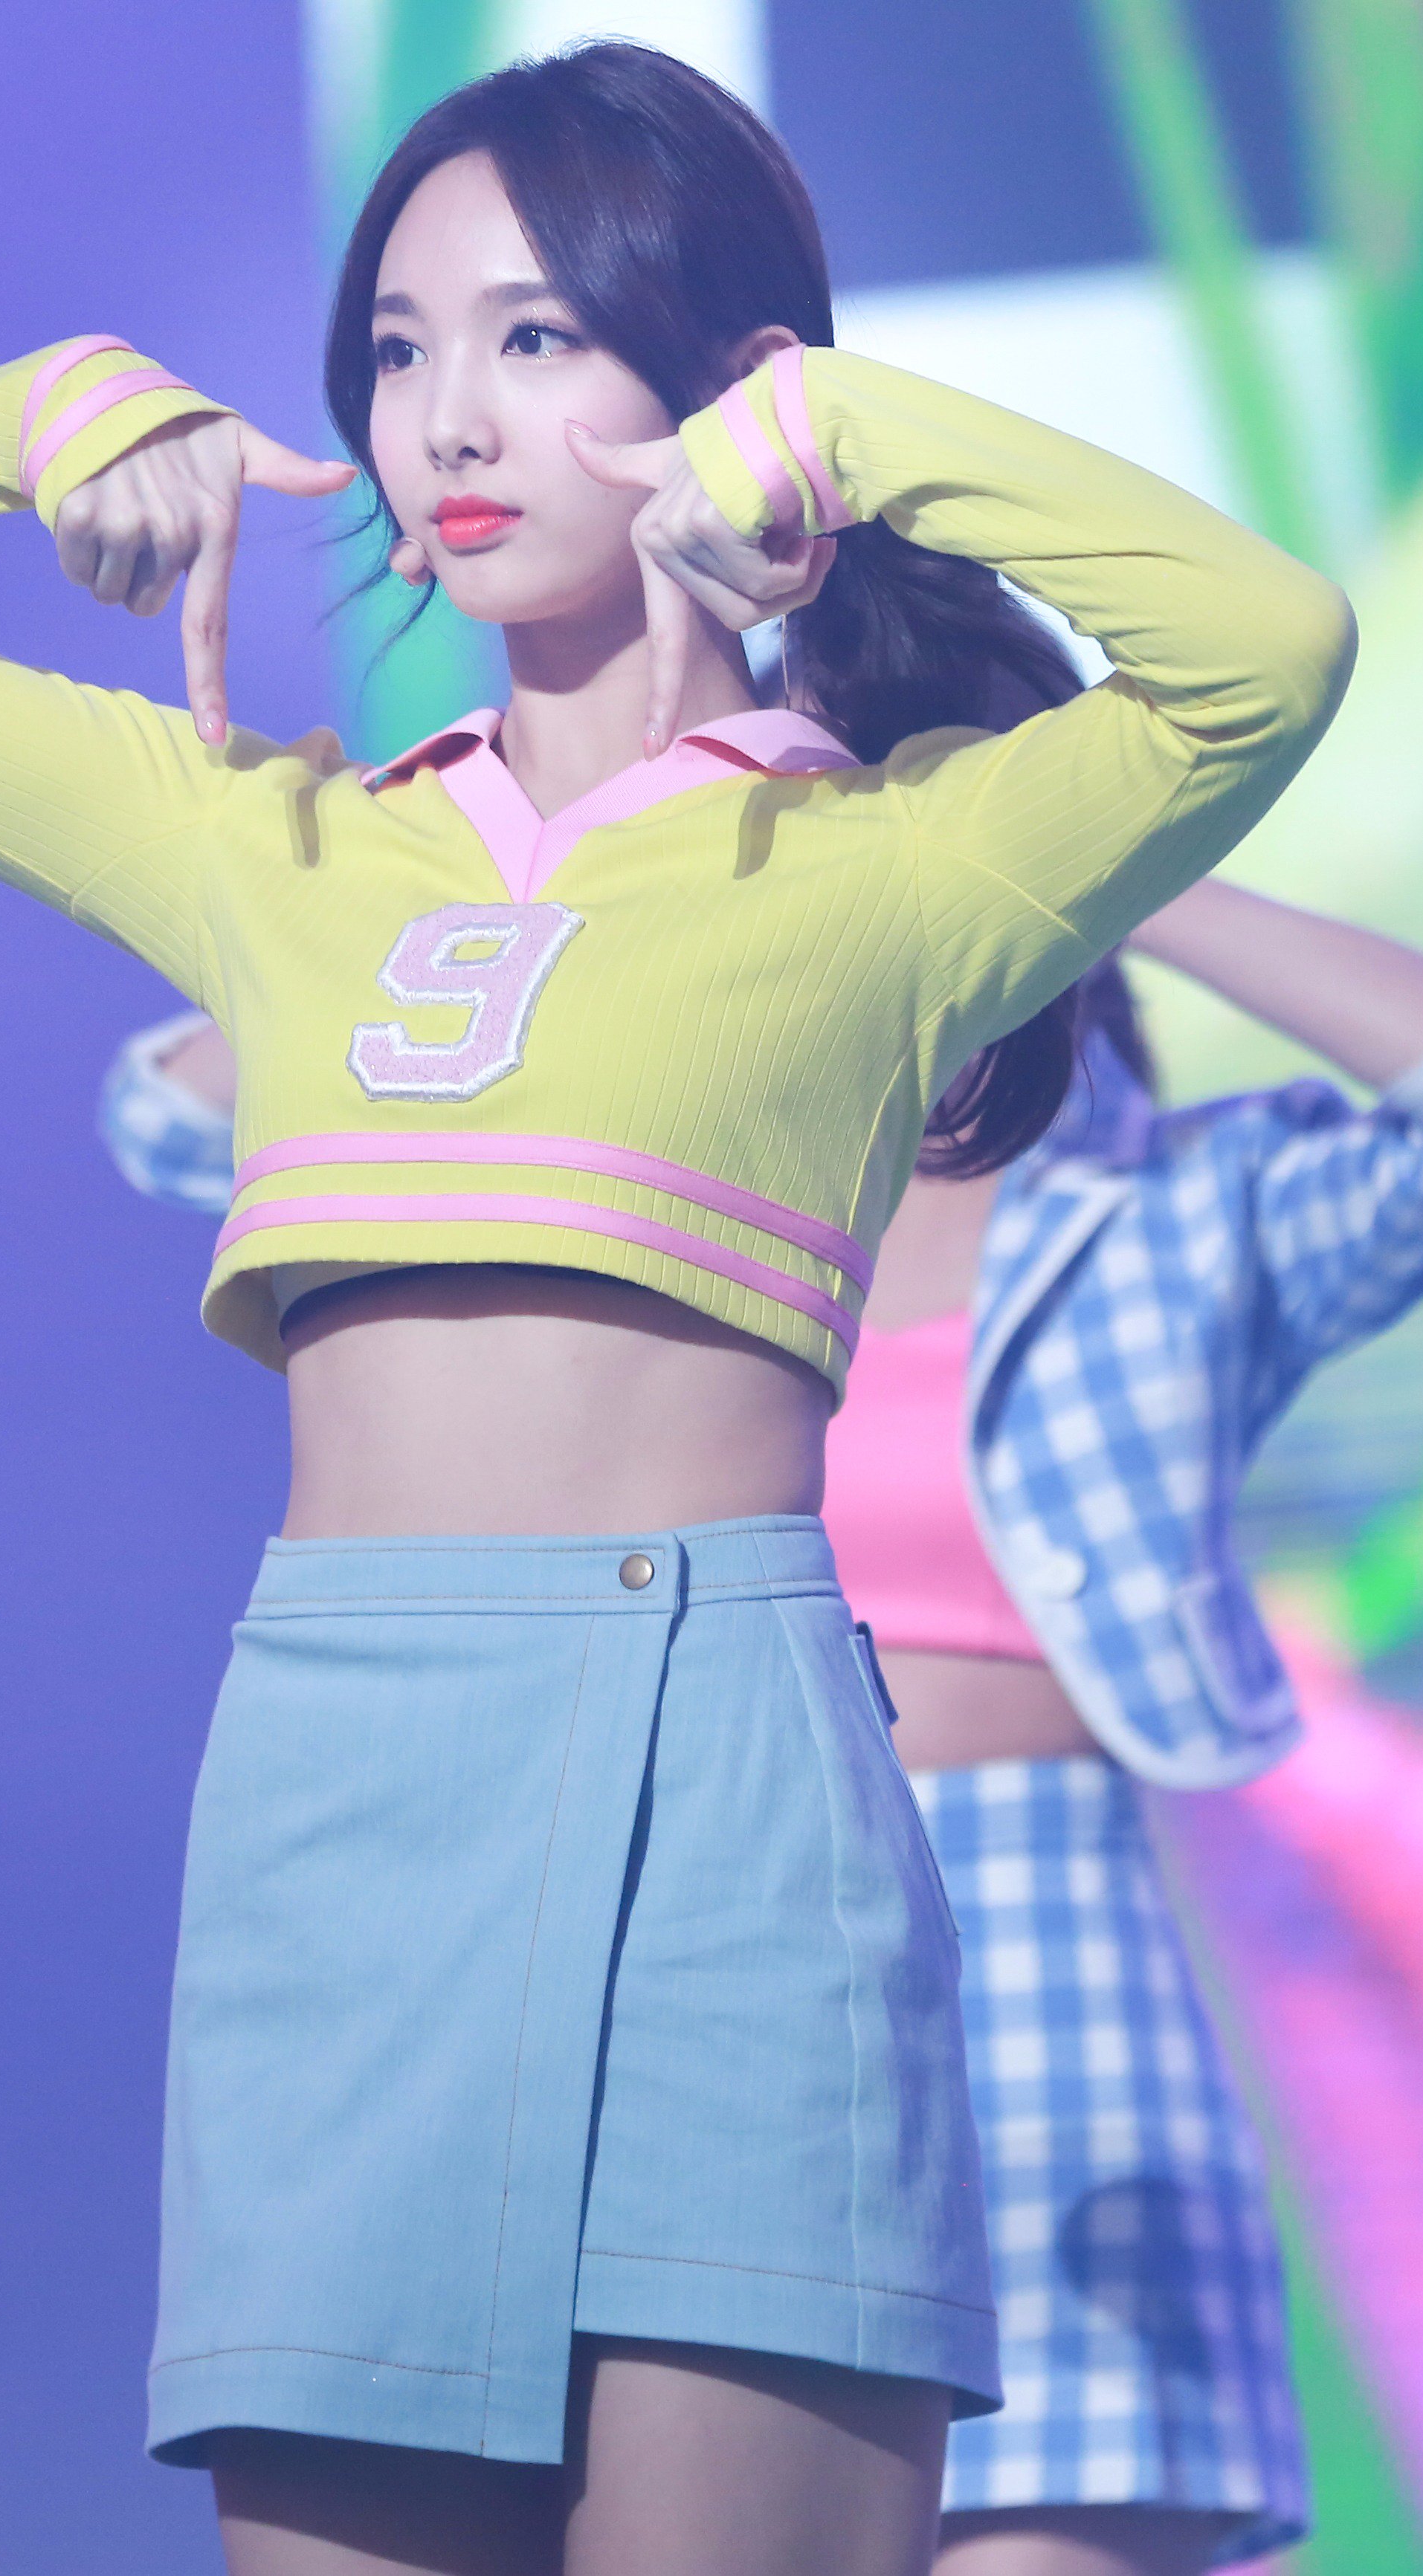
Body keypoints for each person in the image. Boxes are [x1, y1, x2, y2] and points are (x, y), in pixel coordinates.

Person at [0, 41, 1353, 2576]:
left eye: (536, 336)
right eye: (398, 345)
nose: (445, 414)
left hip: (731, 1785)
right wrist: (29, 413)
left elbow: (1261, 649)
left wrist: (846, 435)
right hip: (340, 1787)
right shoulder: (273, 841)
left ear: (716, 376)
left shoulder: (896, 862)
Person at [105, 877, 1423, 2576]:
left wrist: (1131, 869)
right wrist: (531, 871)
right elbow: (164, 1117)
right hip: (699, 1931)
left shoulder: (1176, 1205)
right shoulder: (637, 1178)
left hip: (1046, 1966)